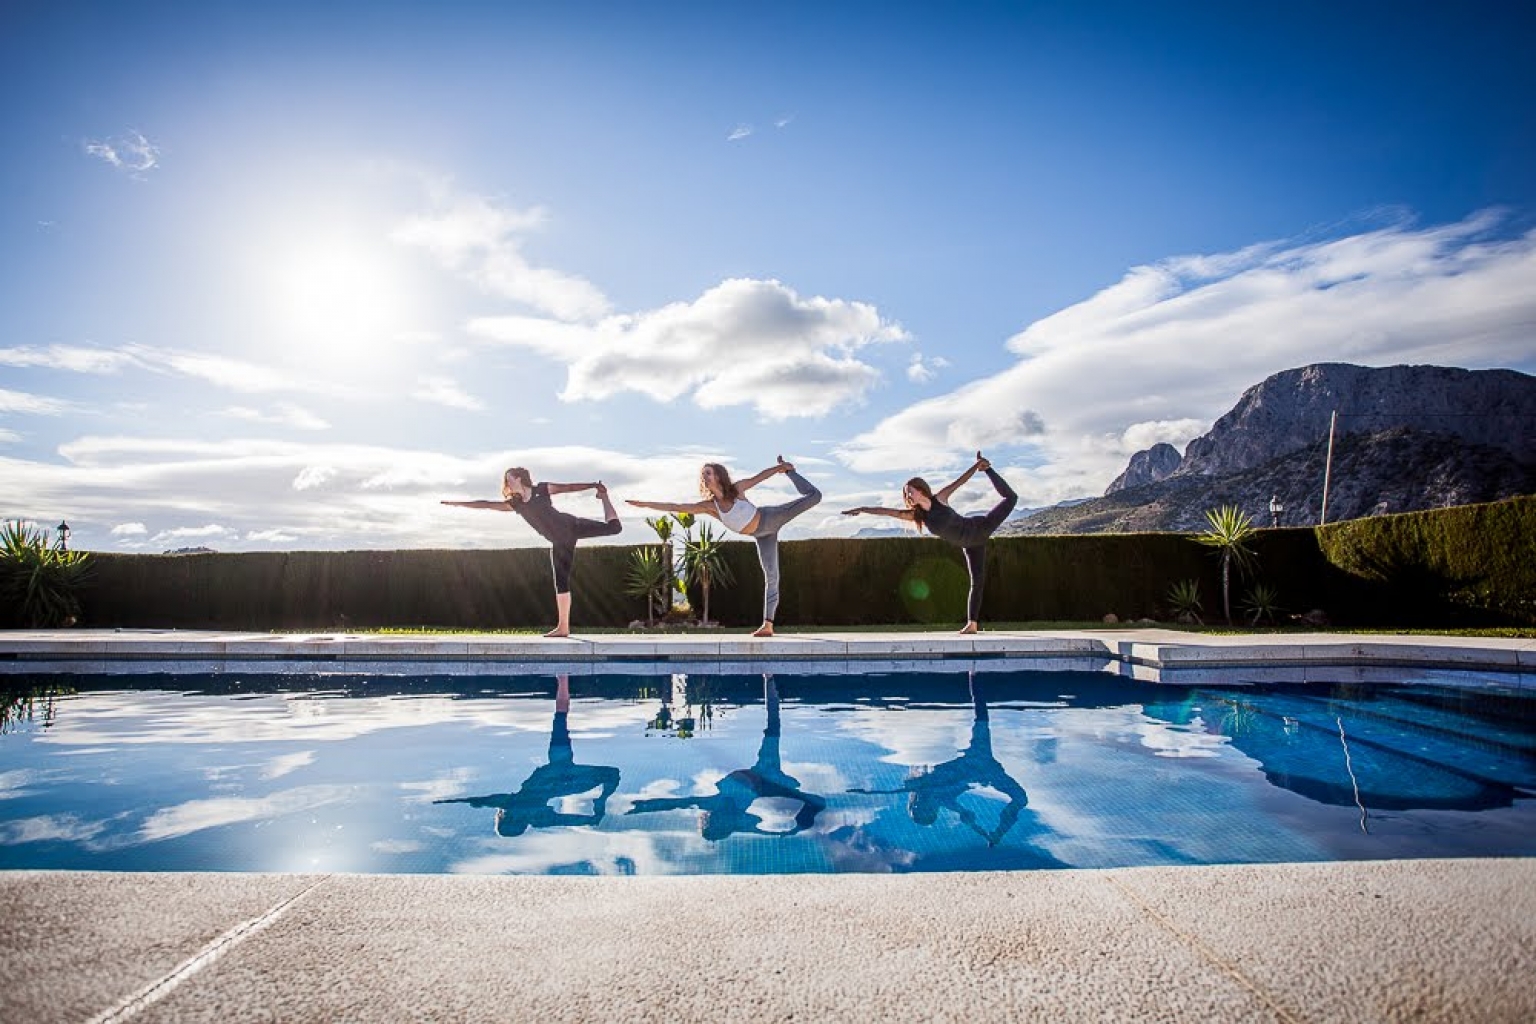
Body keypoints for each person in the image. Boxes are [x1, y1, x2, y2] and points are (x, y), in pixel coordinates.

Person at [626, 456, 820, 637]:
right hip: (761, 535)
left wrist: (782, 468)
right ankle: (768, 624)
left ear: (718, 476)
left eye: (708, 472)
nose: (704, 476)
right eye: (703, 474)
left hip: (770, 517)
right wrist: (645, 504)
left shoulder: (737, 489)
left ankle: (792, 472)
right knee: (772, 577)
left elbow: (760, 477)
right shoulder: (710, 507)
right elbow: (678, 506)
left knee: (814, 496)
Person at [627, 674, 825, 840]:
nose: (718, 815)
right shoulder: (744, 814)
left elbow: (677, 803)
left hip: (751, 778)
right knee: (773, 732)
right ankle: (770, 683)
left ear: (711, 816)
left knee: (771, 732)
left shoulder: (713, 805)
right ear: (730, 822)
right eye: (721, 820)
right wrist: (798, 827)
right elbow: (813, 803)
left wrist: (645, 806)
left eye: (714, 817)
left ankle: (770, 682)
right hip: (766, 778)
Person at [841, 451, 1016, 633]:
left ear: (920, 489)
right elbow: (886, 511)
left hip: (980, 527)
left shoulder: (940, 499)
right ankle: (972, 624)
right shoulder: (917, 516)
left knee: (1011, 498)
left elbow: (960, 481)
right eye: (906, 494)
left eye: (910, 492)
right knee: (977, 582)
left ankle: (988, 470)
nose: (908, 496)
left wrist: (978, 465)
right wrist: (861, 509)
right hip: (972, 545)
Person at [441, 467, 621, 637]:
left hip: (572, 525)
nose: (507, 482)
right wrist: (458, 504)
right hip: (560, 542)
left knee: (615, 528)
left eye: (509, 478)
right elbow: (487, 504)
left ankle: (604, 497)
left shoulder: (541, 490)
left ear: (519, 478)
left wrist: (593, 486)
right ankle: (563, 627)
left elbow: (568, 487)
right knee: (561, 581)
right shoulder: (517, 504)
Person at [434, 674, 621, 836]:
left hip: (563, 777)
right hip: (559, 772)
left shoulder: (534, 818)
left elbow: (576, 820)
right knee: (561, 721)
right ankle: (563, 680)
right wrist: (449, 801)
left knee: (609, 771)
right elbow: (478, 801)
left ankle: (563, 681)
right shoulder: (511, 805)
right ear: (503, 816)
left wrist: (597, 810)